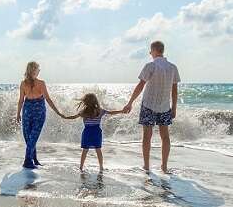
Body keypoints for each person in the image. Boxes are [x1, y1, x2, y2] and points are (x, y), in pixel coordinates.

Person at [123, 41, 180, 173]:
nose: (150, 53)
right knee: (165, 137)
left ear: (154, 51)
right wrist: (174, 108)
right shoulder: (173, 67)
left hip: (148, 105)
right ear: (162, 50)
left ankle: (147, 166)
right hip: (165, 106)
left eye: (150, 51)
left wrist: (130, 102)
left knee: (147, 137)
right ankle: (164, 166)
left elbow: (140, 85)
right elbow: (175, 91)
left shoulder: (150, 66)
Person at [16, 61, 64, 169]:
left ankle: (29, 160)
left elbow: (47, 99)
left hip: (34, 111)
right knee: (29, 138)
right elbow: (21, 100)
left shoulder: (38, 83)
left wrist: (57, 112)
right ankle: (31, 160)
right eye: (38, 69)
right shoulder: (25, 83)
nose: (39, 70)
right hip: (30, 110)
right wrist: (18, 113)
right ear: (34, 70)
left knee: (32, 137)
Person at [62, 93, 124, 171]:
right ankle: (101, 167)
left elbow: (73, 117)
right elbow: (111, 112)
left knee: (85, 150)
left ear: (85, 102)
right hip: (96, 132)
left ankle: (81, 167)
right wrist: (122, 111)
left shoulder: (83, 112)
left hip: (87, 132)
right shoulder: (99, 110)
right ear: (95, 101)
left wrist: (64, 117)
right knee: (98, 150)